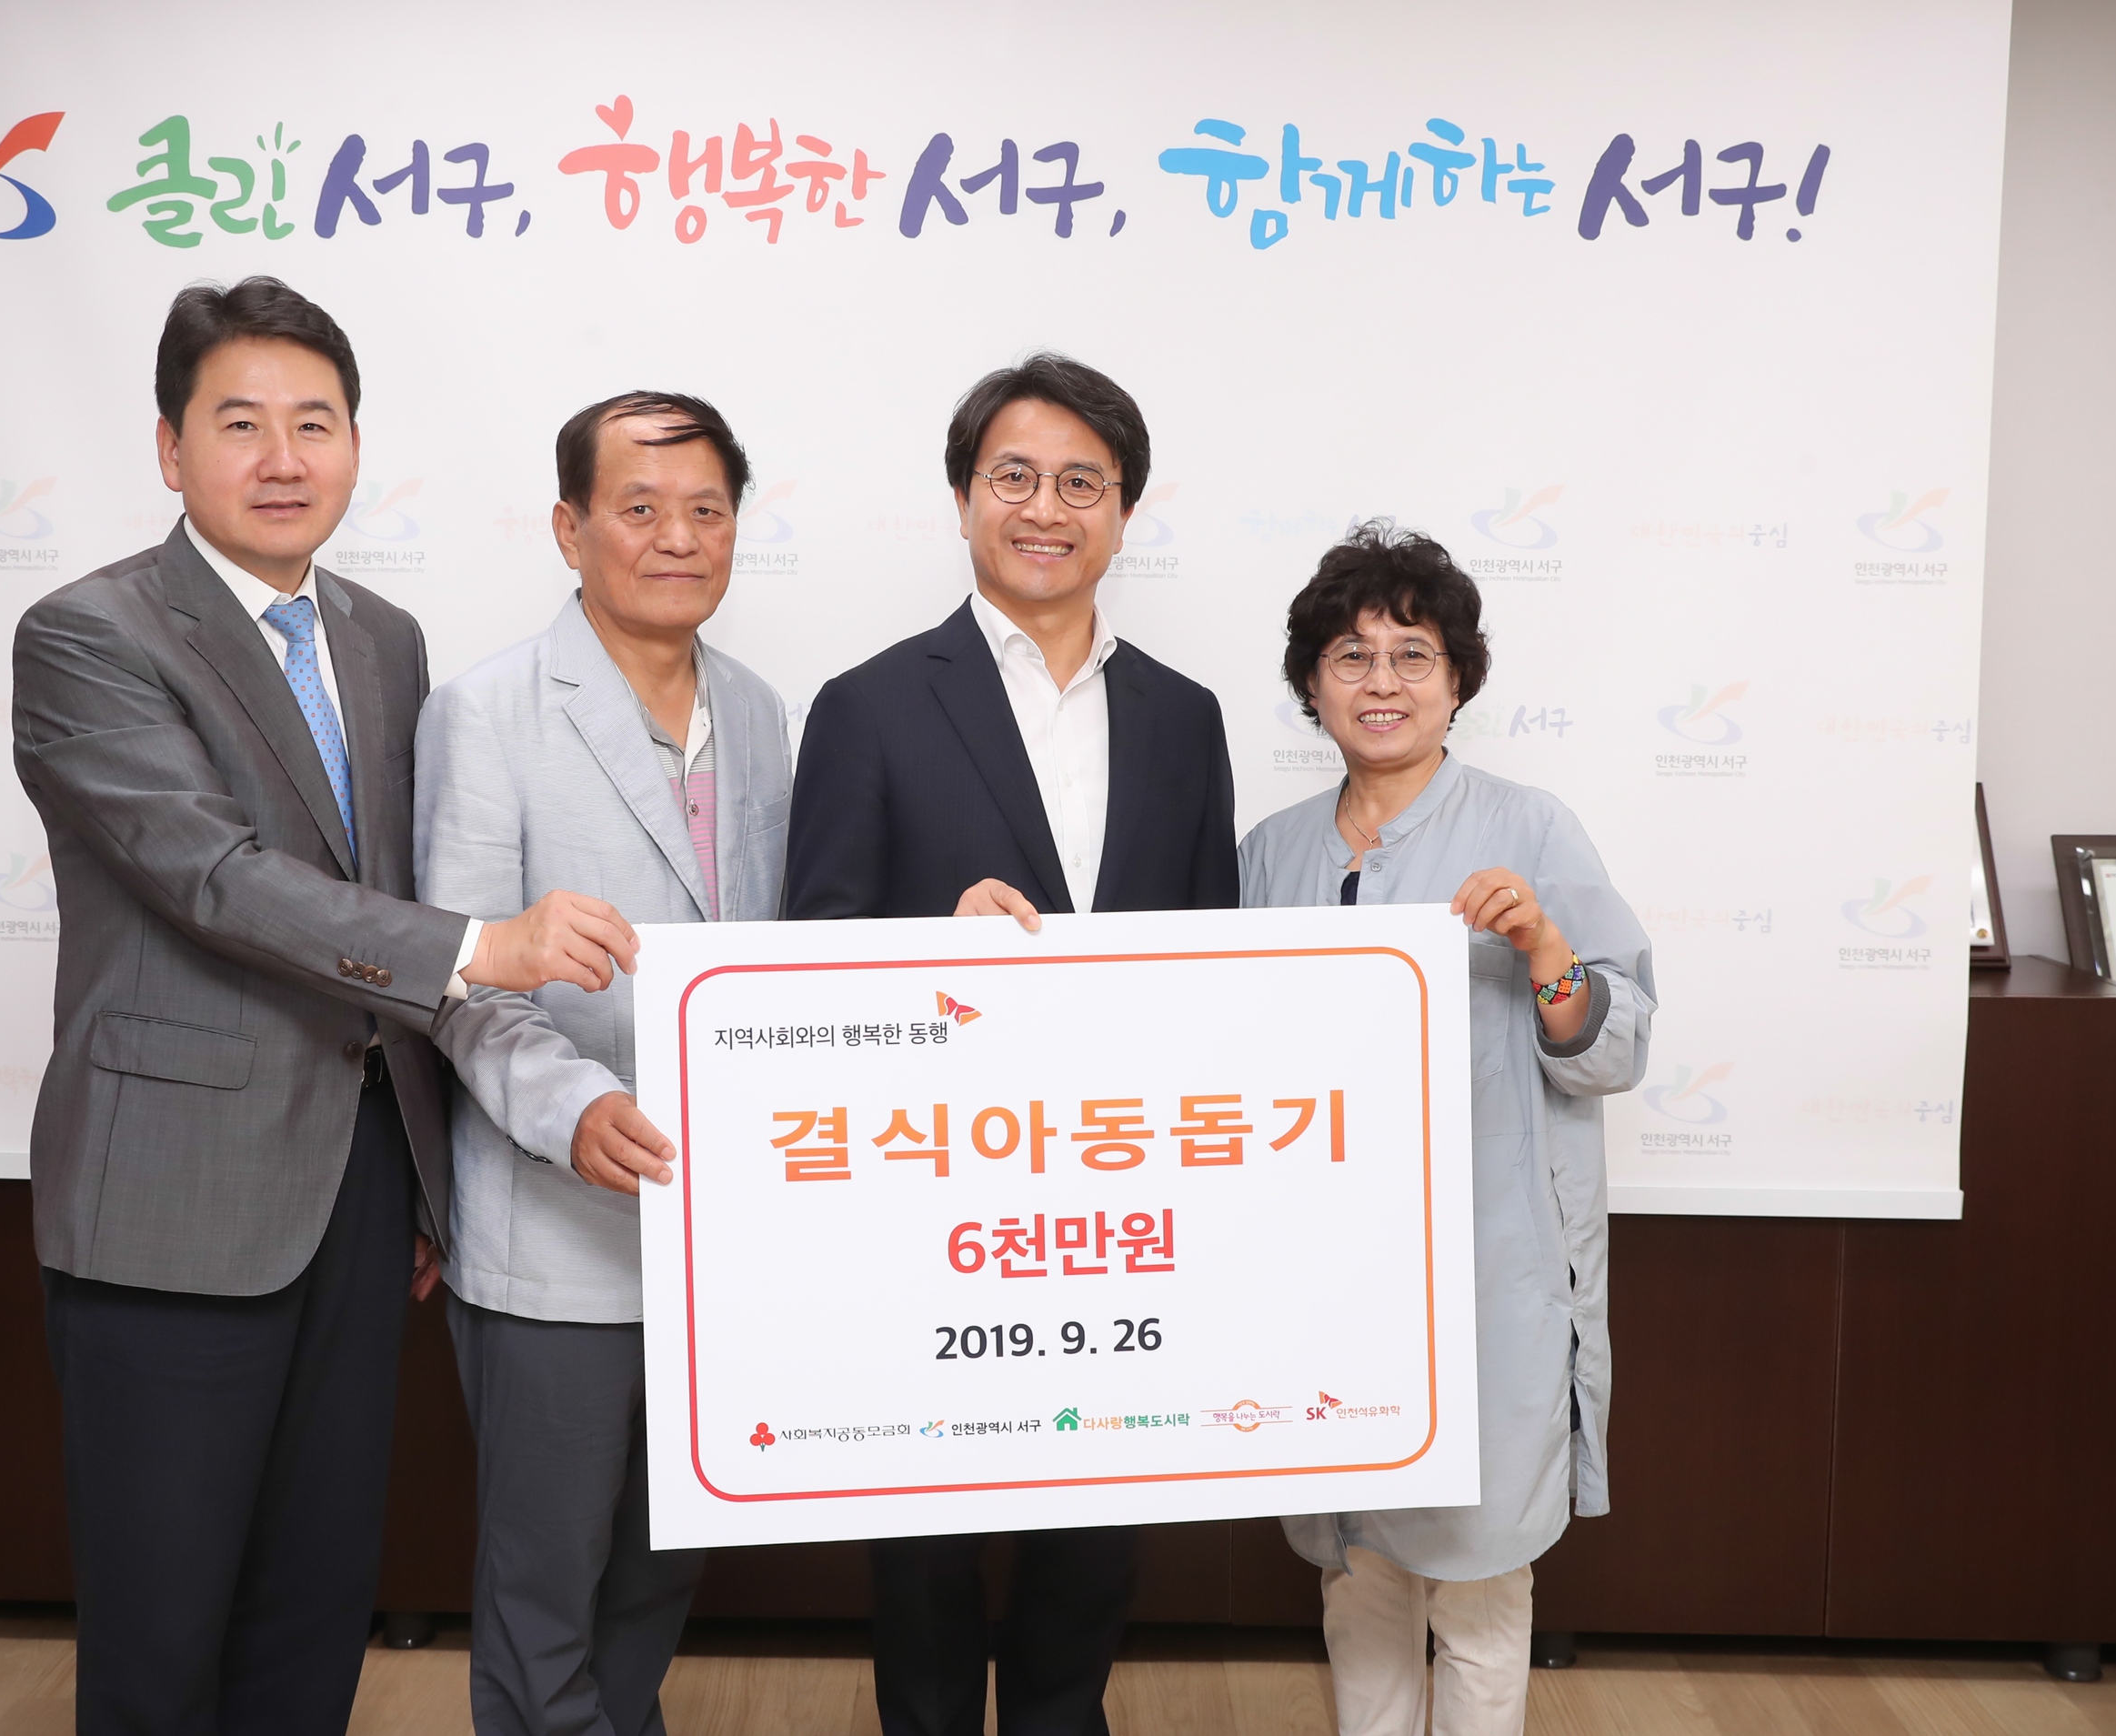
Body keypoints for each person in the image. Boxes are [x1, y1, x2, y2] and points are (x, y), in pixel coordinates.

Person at [12, 277, 636, 1736]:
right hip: (171, 1200)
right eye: (240, 424)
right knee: (164, 1628)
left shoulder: (379, 636)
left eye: (315, 423)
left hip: (358, 1195)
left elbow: (371, 881)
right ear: (170, 448)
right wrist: (483, 946)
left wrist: (416, 1176)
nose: (283, 458)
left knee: (312, 1606)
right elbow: (215, 881)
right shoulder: (90, 633)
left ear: (356, 445)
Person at [785, 354, 1236, 1736]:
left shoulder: (1184, 715)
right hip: (930, 1198)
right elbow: (808, 960)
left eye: (1082, 484)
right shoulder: (866, 704)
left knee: (1092, 1538)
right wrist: (933, 945)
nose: (1047, 509)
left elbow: (1217, 968)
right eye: (1016, 477)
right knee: (924, 1545)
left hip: (1119, 1201)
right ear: (963, 498)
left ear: (1125, 511)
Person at [415, 391, 794, 1736]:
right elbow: (457, 978)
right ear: (569, 529)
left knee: (659, 1571)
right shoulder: (483, 711)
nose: (677, 538)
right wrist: (575, 1109)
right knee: (544, 1592)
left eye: (706, 510)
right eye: (639, 509)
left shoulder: (759, 711)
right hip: (554, 1231)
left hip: (714, 1234)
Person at [1240, 519, 1655, 1736]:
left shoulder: (1532, 830)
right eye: (1351, 656)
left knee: (1477, 1591)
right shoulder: (1267, 854)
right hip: (1328, 1279)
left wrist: (1541, 945)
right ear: (1310, 684)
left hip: (1486, 1280)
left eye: (1412, 654)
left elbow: (1616, 1046)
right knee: (1357, 1572)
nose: (1382, 682)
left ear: (1458, 679)